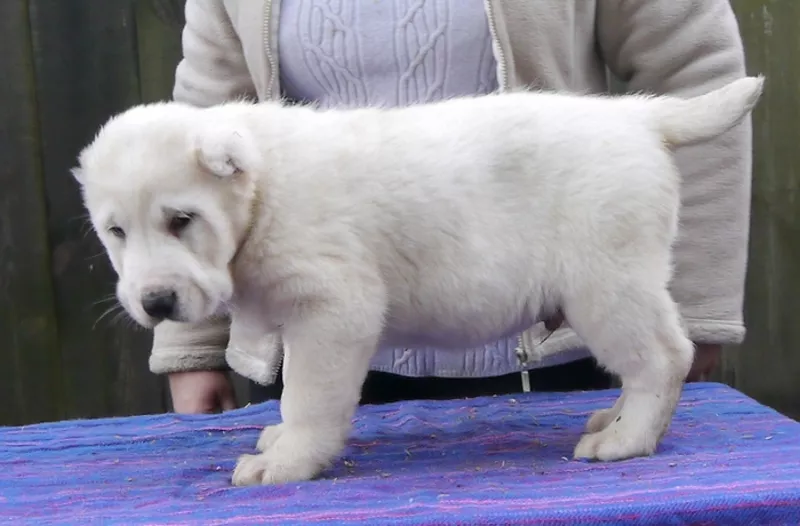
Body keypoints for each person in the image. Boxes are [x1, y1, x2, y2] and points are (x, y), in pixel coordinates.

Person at [154, 0, 752, 414]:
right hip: (314, 345)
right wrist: (193, 341)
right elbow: (198, 136)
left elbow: (694, 70)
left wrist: (691, 308)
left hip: (548, 354)